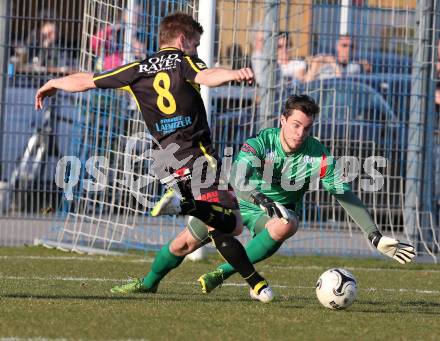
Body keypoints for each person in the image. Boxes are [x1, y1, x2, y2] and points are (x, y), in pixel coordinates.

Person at [35, 12, 273, 303]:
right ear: (182, 39)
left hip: (169, 159)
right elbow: (205, 76)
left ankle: (155, 278)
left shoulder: (138, 68)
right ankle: (256, 284)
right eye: (195, 44)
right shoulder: (182, 60)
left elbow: (87, 80)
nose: (197, 51)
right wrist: (233, 74)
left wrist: (54, 82)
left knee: (203, 233)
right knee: (230, 226)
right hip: (198, 157)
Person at [197, 94, 415, 295]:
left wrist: (373, 234)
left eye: (307, 128)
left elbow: (343, 193)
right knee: (182, 245)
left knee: (286, 223)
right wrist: (261, 199)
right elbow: (237, 177)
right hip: (241, 201)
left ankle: (221, 273)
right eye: (296, 125)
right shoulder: (261, 142)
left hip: (277, 212)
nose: (300, 133)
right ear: (282, 120)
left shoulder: (317, 154)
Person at [304, 35, 370, 82]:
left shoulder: (354, 66)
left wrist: (333, 63)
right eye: (344, 45)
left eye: (351, 46)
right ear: (337, 47)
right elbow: (307, 82)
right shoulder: (324, 59)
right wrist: (315, 64)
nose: (348, 49)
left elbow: (341, 83)